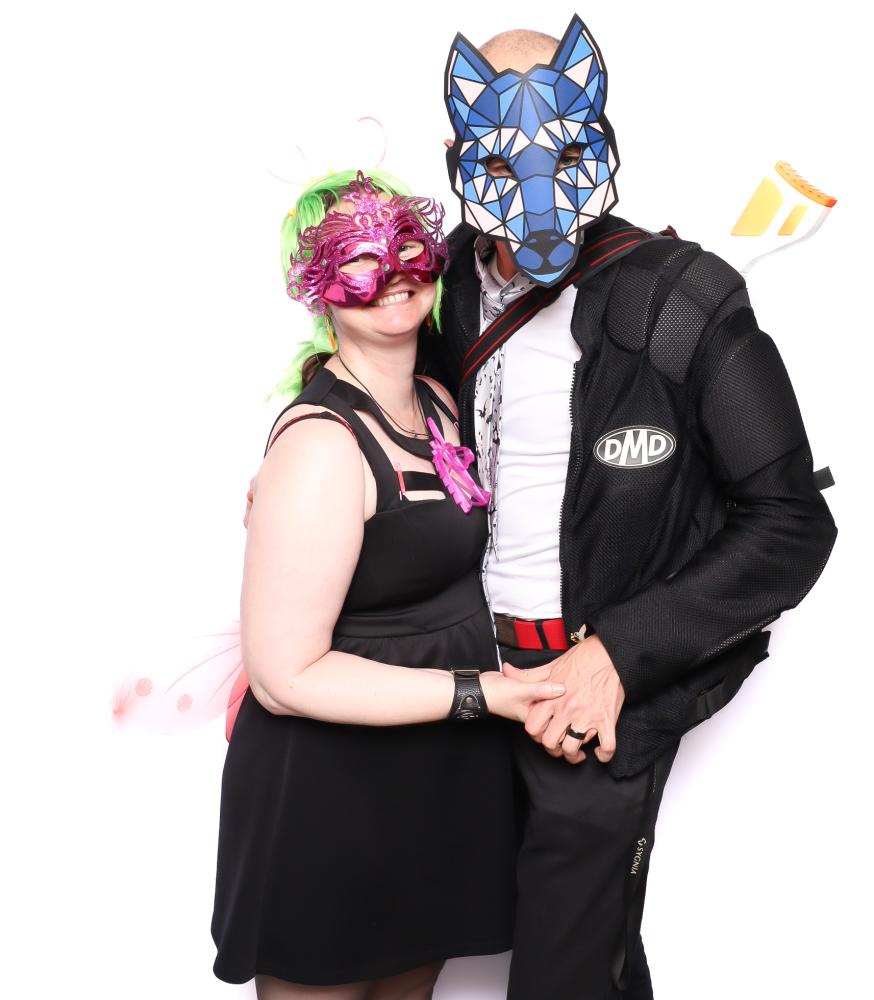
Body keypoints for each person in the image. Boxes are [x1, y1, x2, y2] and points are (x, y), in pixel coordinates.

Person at [420, 15, 839, 1000]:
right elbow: (390, 413)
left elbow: (791, 524)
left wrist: (615, 657)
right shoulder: (436, 287)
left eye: (564, 153)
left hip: (593, 700)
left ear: (599, 134)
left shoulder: (680, 299)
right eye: (500, 160)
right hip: (458, 688)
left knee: (565, 971)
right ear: (457, 152)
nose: (535, 193)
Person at [210, 168, 566, 1000]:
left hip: (438, 780)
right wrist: (484, 694)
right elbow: (284, 674)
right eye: (357, 254)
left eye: (406, 241)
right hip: (332, 793)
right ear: (317, 284)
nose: (392, 268)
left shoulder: (440, 402)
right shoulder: (322, 444)